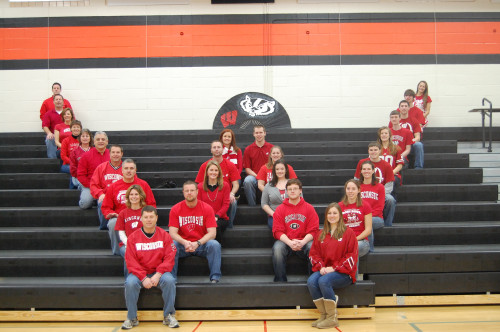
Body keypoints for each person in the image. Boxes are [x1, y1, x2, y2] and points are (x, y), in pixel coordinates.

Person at [122, 205, 179, 330]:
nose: (149, 220)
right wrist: (143, 277)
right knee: (130, 283)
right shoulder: (133, 237)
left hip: (159, 273)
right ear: (141, 219)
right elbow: (130, 261)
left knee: (169, 280)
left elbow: (170, 258)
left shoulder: (164, 235)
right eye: (146, 217)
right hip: (139, 274)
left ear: (156, 218)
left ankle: (168, 315)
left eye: (151, 217)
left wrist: (158, 274)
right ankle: (132, 317)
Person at [307, 203, 358, 329]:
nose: (332, 216)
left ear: (340, 215)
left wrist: (334, 268)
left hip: (344, 273)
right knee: (312, 281)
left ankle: (332, 318)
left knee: (324, 281)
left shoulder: (349, 233)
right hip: (326, 269)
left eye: (335, 213)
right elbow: (314, 254)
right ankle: (324, 315)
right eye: (329, 213)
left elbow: (351, 256)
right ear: (326, 216)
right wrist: (322, 267)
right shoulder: (321, 233)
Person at [169, 181, 222, 283]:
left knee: (214, 245)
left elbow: (212, 233)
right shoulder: (175, 209)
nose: (189, 193)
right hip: (183, 245)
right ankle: (172, 279)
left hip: (201, 245)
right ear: (183, 192)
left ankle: (215, 278)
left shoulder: (207, 208)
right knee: (172, 245)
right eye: (187, 191)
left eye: (192, 190)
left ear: (197, 192)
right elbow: (172, 233)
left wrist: (198, 243)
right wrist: (185, 242)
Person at [101, 159, 156, 256]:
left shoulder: (143, 184)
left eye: (131, 168)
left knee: (150, 221)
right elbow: (105, 207)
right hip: (120, 217)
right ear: (121, 170)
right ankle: (119, 251)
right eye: (126, 168)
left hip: (140, 215)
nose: (129, 171)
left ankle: (146, 249)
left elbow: (151, 204)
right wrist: (110, 214)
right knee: (112, 223)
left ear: (135, 170)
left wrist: (146, 215)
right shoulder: (114, 186)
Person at [272, 179, 319, 282]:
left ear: (300, 191)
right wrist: (290, 242)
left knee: (312, 246)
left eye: (295, 189)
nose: (292, 191)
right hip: (286, 242)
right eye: (290, 189)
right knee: (277, 248)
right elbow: (277, 231)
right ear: (286, 192)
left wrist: (302, 242)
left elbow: (314, 230)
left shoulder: (309, 208)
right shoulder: (280, 209)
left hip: (304, 241)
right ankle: (280, 281)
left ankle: (314, 280)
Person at [195, 140, 240, 227]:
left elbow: (236, 184)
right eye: (214, 147)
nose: (216, 149)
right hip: (209, 194)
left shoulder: (230, 165)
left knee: (233, 201)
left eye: (219, 147)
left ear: (223, 149)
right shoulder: (204, 166)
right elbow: (199, 185)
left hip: (225, 195)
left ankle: (229, 225)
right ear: (211, 150)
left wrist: (232, 193)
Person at [354, 142, 396, 227]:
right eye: (371, 150)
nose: (373, 152)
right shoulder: (362, 162)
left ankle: (388, 225)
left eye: (376, 150)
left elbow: (389, 185)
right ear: (368, 151)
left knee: (390, 199)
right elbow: (356, 180)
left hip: (381, 191)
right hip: (364, 188)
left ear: (380, 151)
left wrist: (379, 192)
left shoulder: (387, 165)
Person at [115, 184, 147, 276]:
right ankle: (130, 279)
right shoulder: (123, 213)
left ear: (141, 196)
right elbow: (120, 232)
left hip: (143, 243)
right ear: (128, 197)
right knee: (128, 253)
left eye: (136, 194)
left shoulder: (146, 211)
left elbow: (151, 229)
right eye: (131, 194)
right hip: (126, 245)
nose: (134, 197)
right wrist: (129, 244)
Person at [90, 145, 124, 230]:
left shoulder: (127, 168)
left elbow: (134, 185)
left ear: (122, 154)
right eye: (113, 152)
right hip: (106, 197)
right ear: (109, 154)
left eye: (118, 152)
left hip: (122, 197)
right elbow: (93, 184)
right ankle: (105, 227)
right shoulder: (101, 167)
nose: (115, 154)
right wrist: (100, 194)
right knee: (102, 202)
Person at [197, 161, 231, 243]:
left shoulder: (225, 185)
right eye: (211, 170)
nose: (213, 172)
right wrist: (208, 218)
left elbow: (226, 205)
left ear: (219, 173)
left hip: (220, 218)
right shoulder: (200, 187)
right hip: (204, 218)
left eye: (216, 170)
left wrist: (216, 216)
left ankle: (218, 247)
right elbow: (199, 205)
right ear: (207, 172)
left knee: (215, 225)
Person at [338, 179, 372, 259]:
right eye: (348, 189)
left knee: (352, 249)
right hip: (344, 240)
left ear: (359, 190)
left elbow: (368, 230)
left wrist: (354, 240)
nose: (350, 191)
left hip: (361, 241)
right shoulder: (339, 206)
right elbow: (337, 227)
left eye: (353, 189)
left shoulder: (365, 205)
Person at [77, 131, 110, 209]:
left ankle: (96, 199)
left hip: (108, 185)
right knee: (85, 204)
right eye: (98, 139)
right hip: (90, 185)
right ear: (94, 142)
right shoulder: (86, 156)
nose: (100, 141)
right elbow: (81, 175)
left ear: (107, 142)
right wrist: (94, 187)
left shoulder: (112, 155)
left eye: (103, 139)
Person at [243, 125, 273, 206]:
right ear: (253, 134)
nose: (259, 134)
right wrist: (258, 176)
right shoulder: (248, 149)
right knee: (248, 181)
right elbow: (247, 169)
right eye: (257, 133)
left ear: (265, 133)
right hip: (254, 176)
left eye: (260, 132)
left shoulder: (271, 148)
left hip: (268, 176)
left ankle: (272, 205)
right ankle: (252, 206)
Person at [359, 160, 386, 252]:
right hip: (360, 217)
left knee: (367, 222)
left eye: (369, 169)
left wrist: (365, 217)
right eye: (364, 169)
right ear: (361, 171)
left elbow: (380, 208)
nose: (366, 171)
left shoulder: (380, 187)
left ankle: (370, 250)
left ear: (373, 171)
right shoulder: (357, 187)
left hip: (377, 218)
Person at [390, 101, 424, 169]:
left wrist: (408, 141)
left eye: (406, 106)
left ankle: (418, 167)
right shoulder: (393, 121)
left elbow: (418, 137)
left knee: (418, 145)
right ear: (399, 108)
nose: (404, 108)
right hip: (398, 144)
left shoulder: (414, 120)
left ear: (409, 108)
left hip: (410, 144)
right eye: (402, 106)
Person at [261, 159, 292, 229]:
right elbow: (264, 204)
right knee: (279, 228)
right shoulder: (268, 185)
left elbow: (300, 200)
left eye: (282, 169)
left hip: (292, 215)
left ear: (286, 170)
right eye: (277, 169)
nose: (280, 171)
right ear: (274, 171)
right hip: (274, 216)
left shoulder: (293, 183)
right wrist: (274, 214)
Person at [377, 126, 403, 198]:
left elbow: (400, 165)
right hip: (378, 175)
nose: (384, 135)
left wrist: (390, 173)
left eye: (386, 133)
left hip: (393, 174)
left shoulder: (396, 148)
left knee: (394, 181)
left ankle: (392, 202)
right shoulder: (376, 148)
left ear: (389, 135)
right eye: (382, 133)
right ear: (379, 135)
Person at [41, 94, 65, 159]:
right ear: (53, 102)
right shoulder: (48, 113)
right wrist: (49, 133)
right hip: (54, 135)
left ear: (63, 101)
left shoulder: (67, 113)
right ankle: (52, 160)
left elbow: (73, 124)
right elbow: (45, 126)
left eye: (60, 99)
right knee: (49, 139)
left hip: (66, 135)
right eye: (56, 99)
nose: (58, 101)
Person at [60, 120, 82, 188]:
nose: (76, 129)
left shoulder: (83, 140)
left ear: (81, 129)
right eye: (74, 127)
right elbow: (63, 156)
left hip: (81, 165)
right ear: (71, 129)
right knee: (74, 169)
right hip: (67, 165)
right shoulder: (66, 140)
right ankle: (72, 191)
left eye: (78, 127)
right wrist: (73, 163)